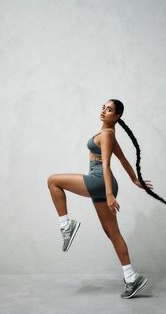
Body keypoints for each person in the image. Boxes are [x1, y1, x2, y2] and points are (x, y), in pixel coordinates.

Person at [47, 99, 153, 299]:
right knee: (112, 232)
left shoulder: (106, 134)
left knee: (53, 181)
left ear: (117, 116)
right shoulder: (110, 134)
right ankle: (131, 278)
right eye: (103, 107)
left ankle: (66, 225)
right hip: (104, 185)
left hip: (100, 183)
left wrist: (109, 194)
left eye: (110, 109)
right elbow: (122, 159)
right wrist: (135, 180)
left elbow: (106, 165)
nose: (104, 111)